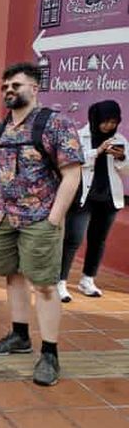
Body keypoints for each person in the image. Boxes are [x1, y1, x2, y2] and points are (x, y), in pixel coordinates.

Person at [0, 62, 82, 387]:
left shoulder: (56, 124)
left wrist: (54, 218)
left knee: (45, 284)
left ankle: (49, 353)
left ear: (35, 88)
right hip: (2, 217)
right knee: (13, 276)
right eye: (6, 86)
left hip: (40, 218)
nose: (10, 90)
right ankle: (19, 335)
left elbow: (72, 174)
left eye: (17, 85)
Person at [59, 100, 128, 301]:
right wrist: (97, 152)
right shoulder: (79, 137)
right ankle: (60, 282)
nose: (109, 126)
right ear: (95, 118)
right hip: (83, 197)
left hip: (108, 199)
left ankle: (87, 279)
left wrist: (122, 157)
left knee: (98, 241)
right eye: (105, 121)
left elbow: (126, 171)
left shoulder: (119, 139)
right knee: (73, 239)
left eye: (113, 122)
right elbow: (72, 161)